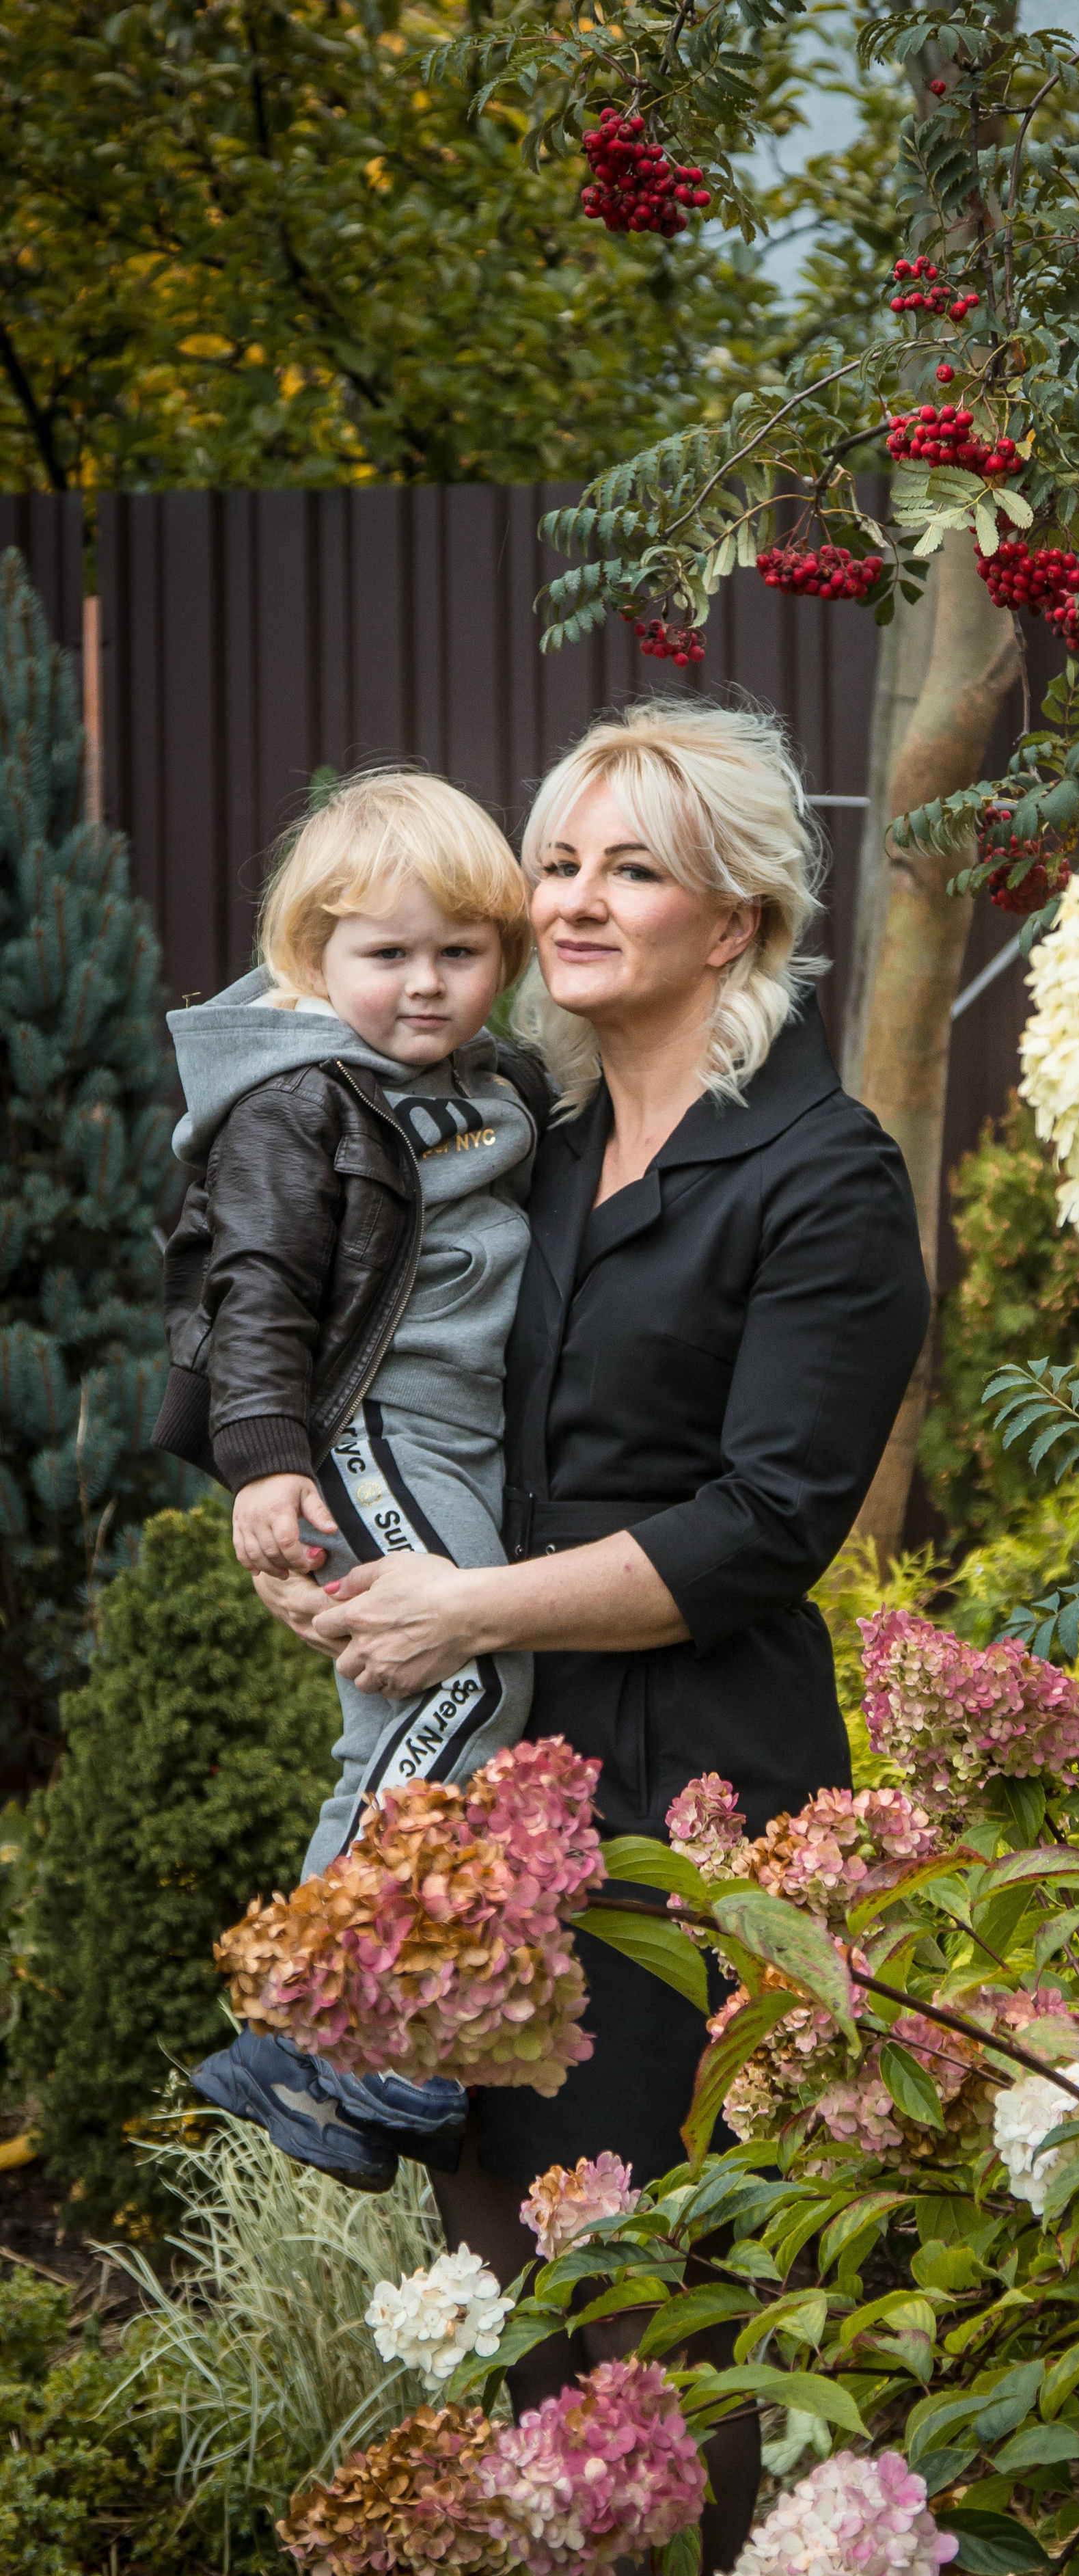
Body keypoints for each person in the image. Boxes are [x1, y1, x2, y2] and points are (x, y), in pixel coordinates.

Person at [254, 699, 929, 2576]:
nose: (571, 898)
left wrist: (469, 1610)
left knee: (658, 2304)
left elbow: (765, 1526)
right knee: (516, 2284)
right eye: (557, 861)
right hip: (483, 1785)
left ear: (737, 921)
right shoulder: (517, 1145)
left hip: (690, 1802)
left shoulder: (821, 1175)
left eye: (631, 868)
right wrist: (314, 1541)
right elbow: (364, 1368)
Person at [152, 769, 551, 2187]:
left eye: (461, 951)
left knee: (409, 1713)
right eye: (387, 954)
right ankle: (328, 2009)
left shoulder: (494, 1087)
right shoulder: (298, 1101)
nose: (427, 985)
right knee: (465, 1683)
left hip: (467, 1444)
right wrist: (265, 1466)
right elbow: (254, 1289)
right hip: (373, 1431)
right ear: (310, 956)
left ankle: (342, 2040)